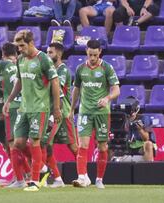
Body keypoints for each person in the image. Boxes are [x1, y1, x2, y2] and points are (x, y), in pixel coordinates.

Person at [2, 30, 62, 192]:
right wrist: (9, 100)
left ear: (31, 43)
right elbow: (19, 82)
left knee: (35, 141)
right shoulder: (20, 60)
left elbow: (55, 83)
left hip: (39, 109)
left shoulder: (43, 59)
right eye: (17, 46)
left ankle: (34, 181)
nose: (19, 49)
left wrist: (56, 108)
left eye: (22, 45)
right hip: (24, 108)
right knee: (18, 143)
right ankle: (42, 167)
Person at [69, 39, 120, 189]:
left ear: (100, 53)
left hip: (102, 113)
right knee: (82, 145)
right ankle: (82, 177)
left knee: (103, 146)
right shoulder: (80, 69)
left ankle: (99, 179)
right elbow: (76, 90)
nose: (92, 58)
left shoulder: (107, 68)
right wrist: (72, 109)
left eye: (95, 55)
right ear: (86, 51)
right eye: (90, 54)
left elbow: (117, 90)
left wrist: (107, 98)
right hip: (85, 112)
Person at [0, 42, 31, 188]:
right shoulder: (22, 63)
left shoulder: (2, 64)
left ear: (3, 53)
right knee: (21, 143)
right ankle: (28, 174)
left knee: (12, 144)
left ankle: (19, 180)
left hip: (12, 107)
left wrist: (0, 91)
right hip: (25, 106)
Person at [40, 42, 79, 188]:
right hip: (52, 112)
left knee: (72, 147)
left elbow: (57, 89)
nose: (48, 55)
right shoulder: (49, 70)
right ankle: (57, 179)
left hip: (62, 112)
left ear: (59, 54)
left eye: (51, 52)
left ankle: (84, 175)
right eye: (47, 52)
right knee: (46, 144)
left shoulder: (62, 70)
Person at [126, 97, 155, 162]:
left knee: (148, 144)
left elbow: (146, 138)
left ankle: (149, 169)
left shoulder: (144, 119)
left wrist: (140, 129)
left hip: (141, 149)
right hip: (126, 148)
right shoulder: (121, 119)